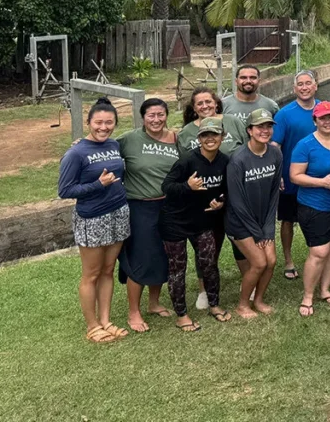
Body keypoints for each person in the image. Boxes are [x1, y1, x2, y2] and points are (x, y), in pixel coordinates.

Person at [58, 97, 130, 344]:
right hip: (92, 218)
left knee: (109, 270)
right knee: (91, 273)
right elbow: (65, 190)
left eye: (109, 123)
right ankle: (92, 326)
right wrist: (98, 185)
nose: (103, 127)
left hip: (118, 212)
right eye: (98, 122)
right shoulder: (76, 152)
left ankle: (106, 320)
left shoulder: (113, 145)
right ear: (88, 122)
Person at [159, 117, 231, 331]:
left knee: (209, 263)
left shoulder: (224, 161)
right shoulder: (187, 161)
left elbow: (226, 189)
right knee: (178, 269)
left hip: (202, 221)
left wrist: (221, 202)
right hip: (175, 221)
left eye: (214, 134)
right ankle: (182, 315)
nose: (210, 139)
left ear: (222, 136)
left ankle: (214, 305)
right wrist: (187, 186)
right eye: (205, 135)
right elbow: (166, 187)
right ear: (199, 139)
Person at [178, 87, 247, 310]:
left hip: (235, 192)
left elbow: (248, 149)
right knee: (206, 245)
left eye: (209, 102)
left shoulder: (233, 122)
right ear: (194, 108)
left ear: (216, 103)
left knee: (241, 240)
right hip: (204, 200)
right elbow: (183, 165)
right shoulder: (186, 132)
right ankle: (203, 290)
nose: (205, 106)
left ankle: (249, 282)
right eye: (200, 103)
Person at [116, 98, 177, 332]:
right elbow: (104, 149)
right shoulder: (130, 139)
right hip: (140, 207)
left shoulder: (175, 139)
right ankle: (133, 311)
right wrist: (83, 145)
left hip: (168, 206)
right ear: (143, 117)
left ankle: (153, 303)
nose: (156, 119)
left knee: (163, 256)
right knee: (141, 257)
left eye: (160, 114)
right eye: (151, 115)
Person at [290, 101, 330, 316]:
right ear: (315, 120)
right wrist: (321, 182)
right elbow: (295, 176)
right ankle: (308, 296)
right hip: (315, 206)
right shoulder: (305, 145)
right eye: (323, 117)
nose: (328, 121)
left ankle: (325, 289)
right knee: (319, 251)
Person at [226, 109, 284, 319]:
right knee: (259, 262)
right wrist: (257, 234)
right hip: (239, 223)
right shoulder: (238, 159)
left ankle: (258, 300)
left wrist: (268, 228)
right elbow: (237, 202)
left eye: (268, 126)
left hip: (262, 221)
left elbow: (273, 195)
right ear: (250, 130)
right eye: (260, 127)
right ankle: (242, 305)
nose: (265, 131)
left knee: (271, 261)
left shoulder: (276, 153)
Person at [271, 69, 320, 281]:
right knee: (288, 220)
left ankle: (316, 255)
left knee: (316, 217)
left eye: (308, 83)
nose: (304, 87)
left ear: (316, 85)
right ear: (294, 88)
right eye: (300, 84)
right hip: (291, 178)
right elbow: (275, 146)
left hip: (318, 177)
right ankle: (289, 260)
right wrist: (278, 174)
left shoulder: (324, 110)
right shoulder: (284, 114)